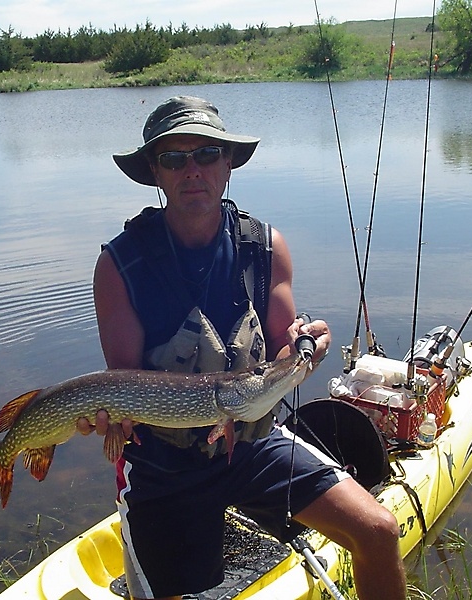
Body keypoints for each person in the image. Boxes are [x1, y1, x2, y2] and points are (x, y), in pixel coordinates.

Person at [83, 96, 407, 600]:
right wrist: (107, 417)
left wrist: (305, 347)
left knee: (378, 531)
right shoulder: (121, 265)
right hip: (164, 467)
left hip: (252, 441)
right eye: (174, 158)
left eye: (207, 154)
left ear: (228, 163)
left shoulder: (265, 246)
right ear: (155, 171)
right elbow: (124, 383)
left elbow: (282, 345)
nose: (192, 170)